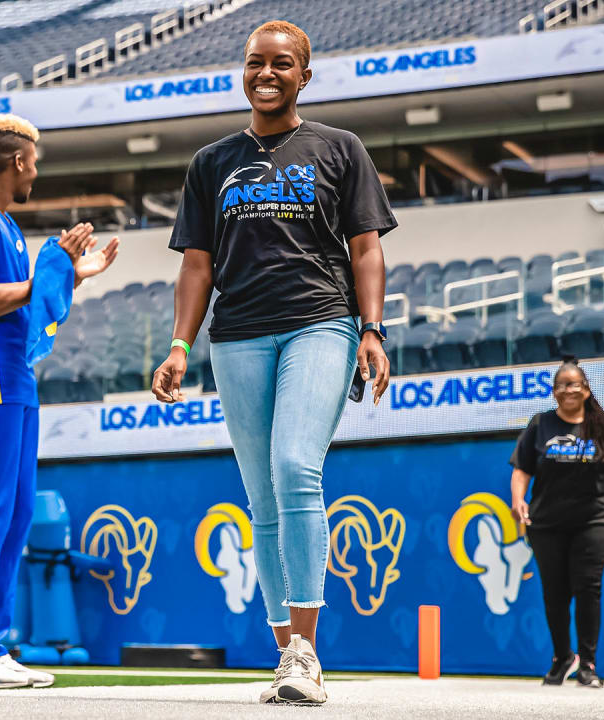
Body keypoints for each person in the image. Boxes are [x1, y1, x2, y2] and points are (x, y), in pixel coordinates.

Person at [151, 21, 396, 705]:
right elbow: (197, 265)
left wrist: (371, 330)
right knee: (261, 501)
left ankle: (307, 653)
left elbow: (366, 248)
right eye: (256, 62)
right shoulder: (212, 162)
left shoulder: (340, 148)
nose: (266, 73)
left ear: (305, 76)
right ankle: (286, 655)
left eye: (282, 64)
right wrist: (179, 344)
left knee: (295, 467)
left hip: (321, 321)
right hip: (236, 336)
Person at [0, 114, 119, 688]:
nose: (36, 174)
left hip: (15, 377)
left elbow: (36, 295)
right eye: (34, 163)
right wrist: (57, 270)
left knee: (16, 515)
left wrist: (69, 274)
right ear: (18, 161)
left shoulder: (10, 226)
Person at [510, 359, 604, 689]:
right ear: (554, 392)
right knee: (555, 593)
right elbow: (522, 469)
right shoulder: (540, 424)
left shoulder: (602, 426)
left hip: (594, 519)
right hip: (547, 522)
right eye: (562, 384)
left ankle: (588, 663)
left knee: (587, 587)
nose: (568, 389)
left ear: (586, 389)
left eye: (575, 384)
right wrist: (518, 499)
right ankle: (562, 657)